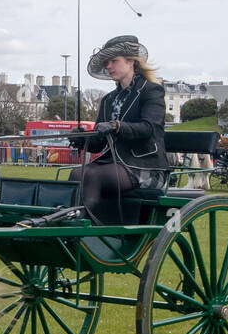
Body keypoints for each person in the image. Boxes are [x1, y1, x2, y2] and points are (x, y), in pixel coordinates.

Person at [67, 36, 167, 224]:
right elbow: (99, 143)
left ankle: (85, 226)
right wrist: (82, 138)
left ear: (131, 61)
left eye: (114, 61)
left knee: (93, 175)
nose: (109, 66)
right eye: (107, 63)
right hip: (113, 163)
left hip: (145, 166)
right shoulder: (109, 100)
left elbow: (149, 128)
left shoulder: (151, 91)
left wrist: (117, 126)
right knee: (77, 173)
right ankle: (74, 221)